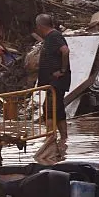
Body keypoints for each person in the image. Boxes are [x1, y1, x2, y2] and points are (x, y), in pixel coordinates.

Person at [36, 14, 71, 156]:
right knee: (59, 110)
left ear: (40, 26)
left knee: (49, 110)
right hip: (53, 83)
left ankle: (50, 140)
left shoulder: (54, 36)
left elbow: (65, 51)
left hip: (56, 82)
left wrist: (62, 70)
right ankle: (63, 140)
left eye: (37, 26)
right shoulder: (50, 38)